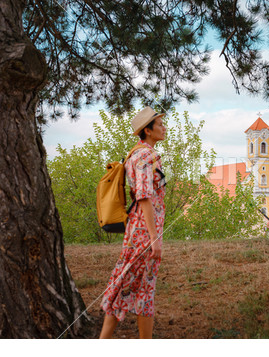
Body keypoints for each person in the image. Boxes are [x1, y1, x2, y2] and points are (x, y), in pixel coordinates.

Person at [99, 107, 167, 339]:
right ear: (147, 130)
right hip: (143, 232)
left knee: (140, 287)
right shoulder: (146, 156)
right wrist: (154, 237)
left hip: (139, 230)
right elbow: (144, 197)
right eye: (159, 124)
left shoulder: (135, 154)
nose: (164, 128)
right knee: (131, 285)